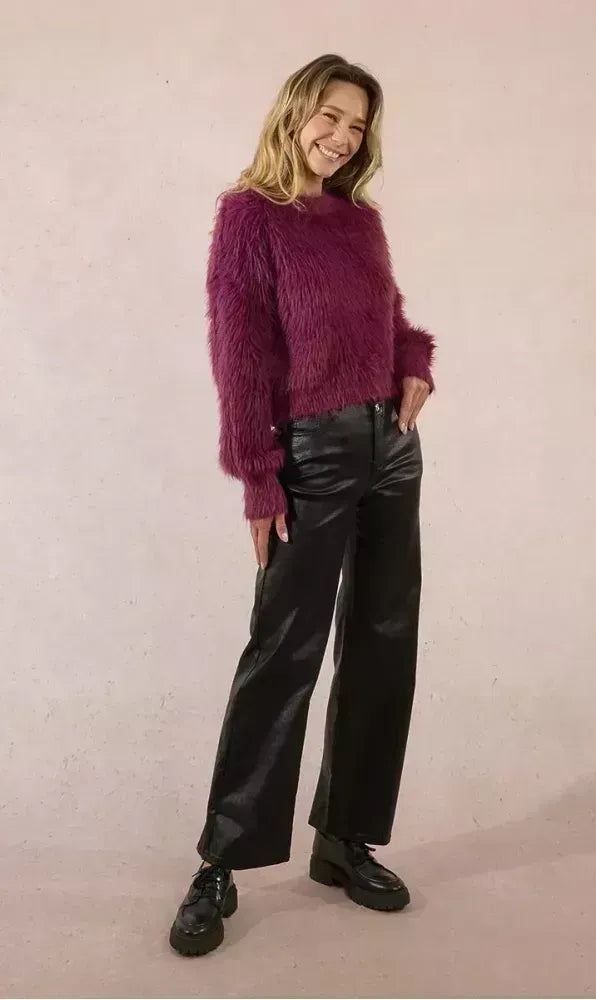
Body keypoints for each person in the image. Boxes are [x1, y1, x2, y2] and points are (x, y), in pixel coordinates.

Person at [169, 52, 436, 957]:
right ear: (294, 112)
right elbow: (239, 353)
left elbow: (393, 322)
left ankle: (344, 839)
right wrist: (257, 473)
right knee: (283, 650)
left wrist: (415, 363)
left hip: (392, 450)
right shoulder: (250, 216)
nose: (342, 136)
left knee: (384, 641)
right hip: (311, 455)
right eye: (330, 115)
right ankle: (220, 862)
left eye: (357, 124)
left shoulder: (361, 221)